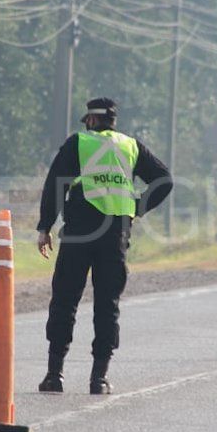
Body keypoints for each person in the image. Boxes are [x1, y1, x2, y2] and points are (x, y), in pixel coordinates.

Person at [36, 97, 172, 395]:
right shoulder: (131, 146)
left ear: (93, 120)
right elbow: (164, 179)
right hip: (115, 236)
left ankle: (54, 375)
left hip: (78, 235)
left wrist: (45, 226)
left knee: (65, 301)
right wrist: (138, 207)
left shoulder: (79, 144)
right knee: (106, 306)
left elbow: (54, 185)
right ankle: (99, 379)